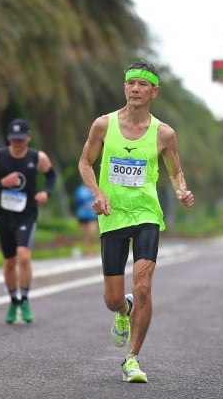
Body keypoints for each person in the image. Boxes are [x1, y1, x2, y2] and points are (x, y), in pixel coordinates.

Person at [78, 60, 195, 383]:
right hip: (112, 214)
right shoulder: (103, 125)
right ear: (124, 87)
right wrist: (98, 192)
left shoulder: (164, 133)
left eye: (143, 84)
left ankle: (132, 358)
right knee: (113, 298)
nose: (135, 89)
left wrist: (182, 191)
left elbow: (175, 172)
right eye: (131, 83)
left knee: (143, 285)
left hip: (146, 214)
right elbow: (85, 163)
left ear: (154, 92)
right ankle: (122, 311)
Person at [0, 119, 56, 324]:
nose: (18, 144)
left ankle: (24, 299)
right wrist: (1, 183)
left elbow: (51, 175)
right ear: (9, 139)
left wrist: (46, 193)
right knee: (8, 262)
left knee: (23, 256)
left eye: (21, 140)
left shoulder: (37, 157)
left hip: (27, 214)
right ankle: (13, 300)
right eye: (14, 140)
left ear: (28, 138)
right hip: (5, 216)